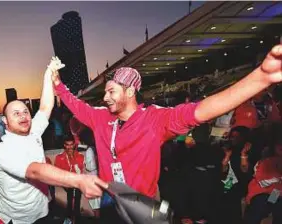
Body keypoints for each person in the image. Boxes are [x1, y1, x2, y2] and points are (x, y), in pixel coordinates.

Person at [51, 45, 282, 221]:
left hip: (143, 202)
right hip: (110, 198)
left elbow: (203, 109)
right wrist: (57, 84)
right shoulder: (102, 117)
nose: (105, 97)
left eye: (111, 91)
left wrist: (261, 77)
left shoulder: (155, 119)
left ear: (130, 91)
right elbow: (76, 105)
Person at [0, 57, 107, 224]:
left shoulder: (33, 131)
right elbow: (35, 171)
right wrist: (79, 179)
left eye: (25, 111)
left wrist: (48, 74)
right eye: (15, 114)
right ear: (5, 122)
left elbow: (46, 106)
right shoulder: (3, 150)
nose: (23, 116)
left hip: (42, 211)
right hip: (17, 220)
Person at [244, 123, 282, 224]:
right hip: (261, 193)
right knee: (260, 206)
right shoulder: (265, 161)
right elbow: (263, 183)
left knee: (278, 206)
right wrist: (278, 178)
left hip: (275, 193)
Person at [54, 135, 84, 223]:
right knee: (70, 201)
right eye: (67, 145)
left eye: (71, 145)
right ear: (64, 145)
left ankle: (75, 219)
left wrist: (73, 159)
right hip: (65, 183)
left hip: (77, 183)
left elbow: (80, 172)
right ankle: (69, 218)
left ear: (74, 144)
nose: (69, 147)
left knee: (76, 200)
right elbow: (57, 173)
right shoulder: (59, 157)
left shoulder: (80, 156)